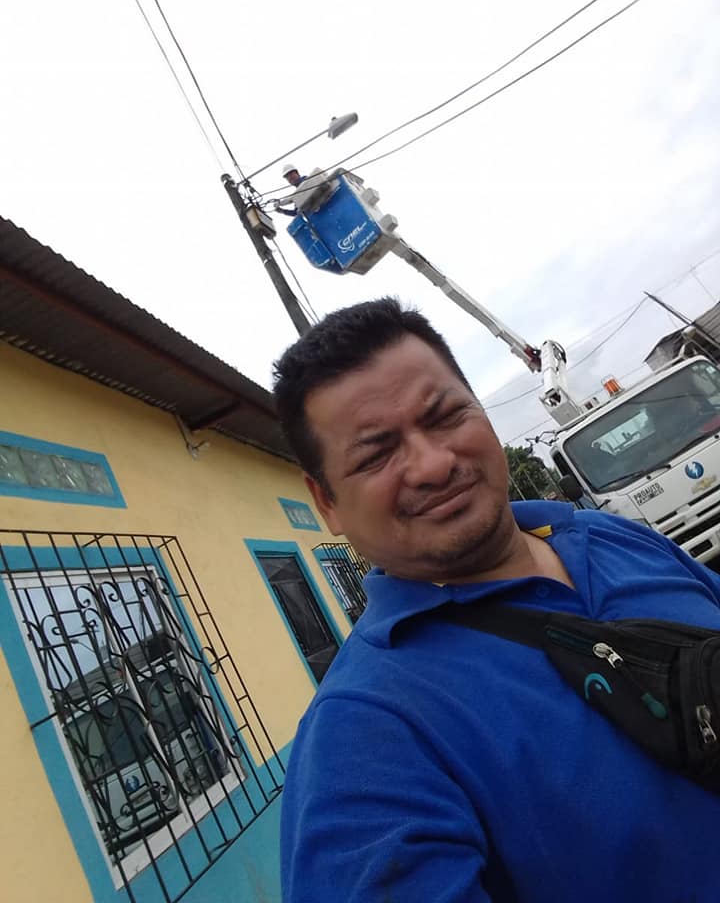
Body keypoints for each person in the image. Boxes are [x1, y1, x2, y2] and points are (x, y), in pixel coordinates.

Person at [272, 297, 720, 903]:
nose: (434, 465)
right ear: (326, 502)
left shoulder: (609, 535)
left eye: (445, 416)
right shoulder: (362, 742)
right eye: (377, 454)